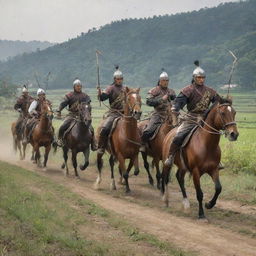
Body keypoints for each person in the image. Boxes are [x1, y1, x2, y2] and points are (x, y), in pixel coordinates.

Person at [165, 61, 223, 167]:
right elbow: (178, 103)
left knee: (214, 136)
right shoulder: (188, 90)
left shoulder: (210, 91)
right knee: (179, 136)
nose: (201, 79)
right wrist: (175, 109)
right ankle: (171, 156)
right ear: (194, 78)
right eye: (199, 77)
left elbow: (217, 102)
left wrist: (223, 101)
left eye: (203, 78)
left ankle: (216, 160)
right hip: (191, 119)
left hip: (205, 119)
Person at [56, 79, 97, 150]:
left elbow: (88, 106)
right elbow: (63, 104)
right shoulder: (69, 95)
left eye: (80, 86)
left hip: (82, 117)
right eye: (77, 86)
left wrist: (88, 114)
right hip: (71, 115)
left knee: (91, 128)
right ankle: (60, 139)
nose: (79, 87)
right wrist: (59, 110)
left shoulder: (85, 96)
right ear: (74, 87)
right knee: (63, 126)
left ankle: (93, 143)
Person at [141, 70, 176, 147]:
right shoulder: (154, 90)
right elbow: (149, 102)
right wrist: (161, 99)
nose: (165, 82)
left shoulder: (171, 91)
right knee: (148, 130)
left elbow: (175, 101)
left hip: (170, 115)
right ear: (159, 81)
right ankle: (143, 145)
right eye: (163, 80)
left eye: (167, 80)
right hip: (158, 114)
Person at [97, 66, 127, 154]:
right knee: (105, 129)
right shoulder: (110, 88)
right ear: (114, 79)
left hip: (125, 113)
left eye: (121, 79)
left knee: (136, 127)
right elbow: (103, 98)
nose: (119, 80)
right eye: (118, 79)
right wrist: (100, 94)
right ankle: (101, 147)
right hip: (114, 113)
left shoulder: (126, 88)